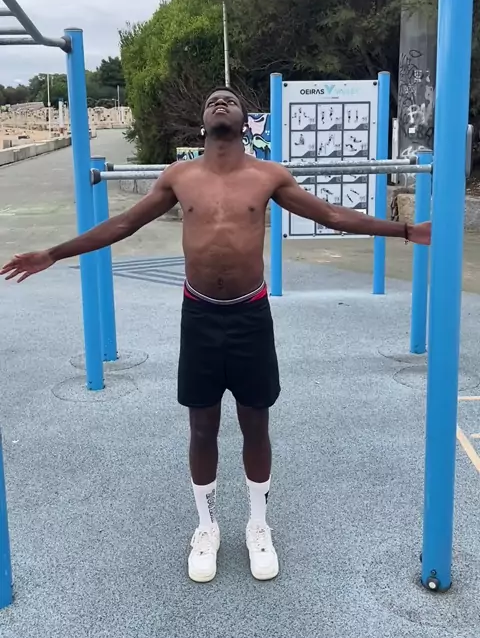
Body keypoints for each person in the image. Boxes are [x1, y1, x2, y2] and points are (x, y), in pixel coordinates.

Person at [1, 87, 431, 584]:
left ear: (246, 120)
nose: (220, 102)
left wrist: (403, 232)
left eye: (229, 99)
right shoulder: (179, 177)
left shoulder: (268, 176)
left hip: (250, 317)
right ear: (203, 122)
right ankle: (206, 527)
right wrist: (54, 253)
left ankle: (257, 524)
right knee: (202, 427)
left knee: (255, 423)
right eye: (212, 100)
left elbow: (332, 215)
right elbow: (122, 224)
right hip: (200, 317)